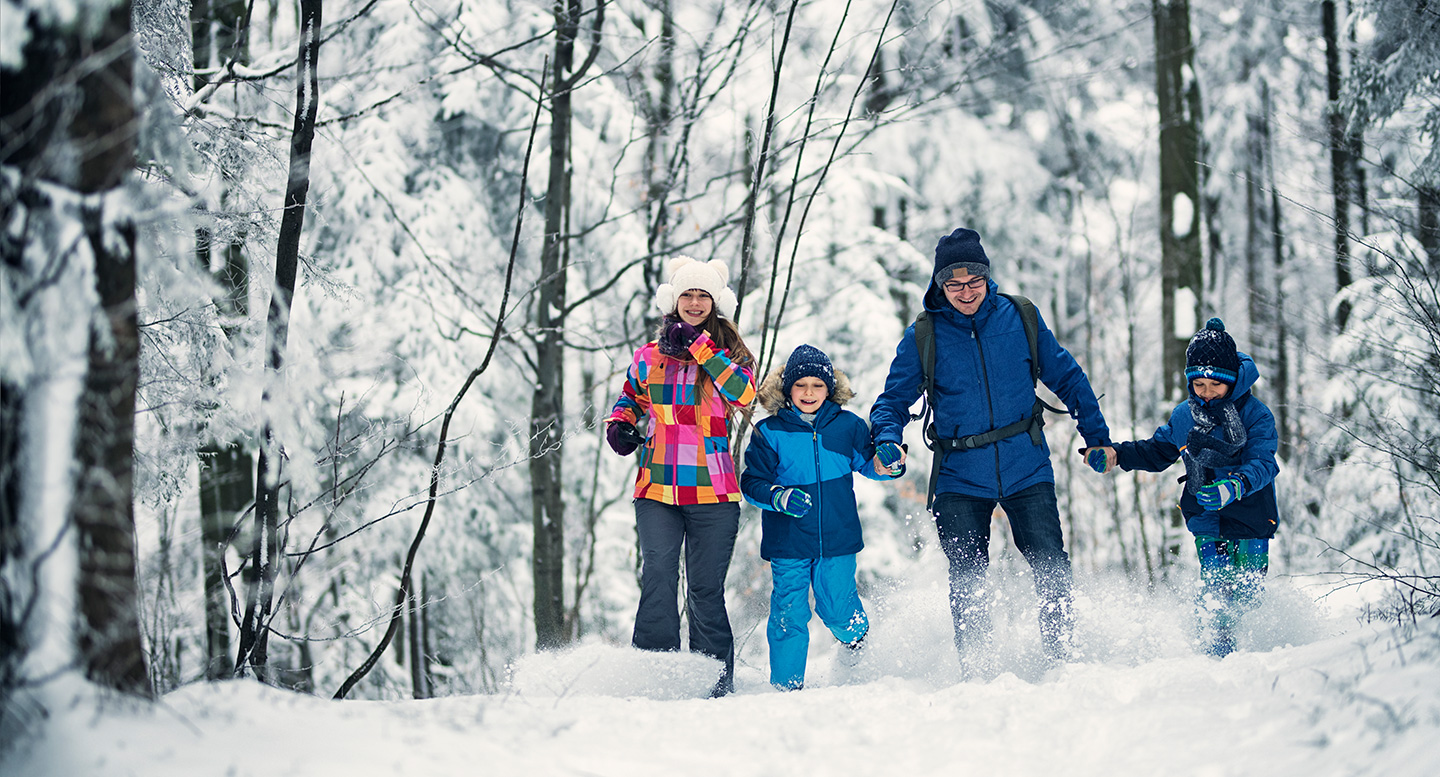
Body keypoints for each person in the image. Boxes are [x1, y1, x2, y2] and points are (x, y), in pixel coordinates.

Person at [868, 227, 1112, 670]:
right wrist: (887, 439)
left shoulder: (1019, 318)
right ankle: (976, 668)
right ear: (939, 285)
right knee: (967, 577)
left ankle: (1063, 660)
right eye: (954, 284)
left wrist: (1097, 437)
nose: (965, 292)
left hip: (1026, 465)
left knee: (1051, 565)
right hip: (960, 474)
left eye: (974, 281)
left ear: (987, 278)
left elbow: (1069, 378)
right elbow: (891, 401)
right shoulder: (925, 334)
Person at [605, 255, 756, 697]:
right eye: (687, 294)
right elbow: (630, 397)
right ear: (674, 299)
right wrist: (620, 423)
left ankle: (712, 684)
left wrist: (700, 346)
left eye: (702, 295)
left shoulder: (731, 355)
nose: (694, 302)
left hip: (713, 492)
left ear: (714, 302)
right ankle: (654, 679)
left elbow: (743, 394)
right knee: (658, 576)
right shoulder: (649, 356)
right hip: (657, 487)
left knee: (705, 590)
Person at [1086, 318, 1279, 658]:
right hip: (1206, 515)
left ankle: (1258, 653)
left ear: (1232, 381)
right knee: (1217, 582)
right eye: (1199, 385)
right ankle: (1219, 651)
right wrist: (1116, 453)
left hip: (1251, 514)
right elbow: (1157, 451)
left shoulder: (1256, 415)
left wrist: (1233, 487)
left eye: (1214, 386)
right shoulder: (1185, 416)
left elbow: (1263, 463)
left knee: (1248, 591)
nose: (1206, 393)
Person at [740, 344, 903, 691]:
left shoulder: (848, 427)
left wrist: (890, 462)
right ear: (788, 389)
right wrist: (777, 496)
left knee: (837, 607)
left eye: (817, 385)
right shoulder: (769, 432)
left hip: (837, 537)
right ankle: (786, 687)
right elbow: (751, 482)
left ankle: (857, 644)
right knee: (789, 613)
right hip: (788, 541)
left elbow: (872, 465)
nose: (809, 393)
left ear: (829, 389)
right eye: (801, 385)